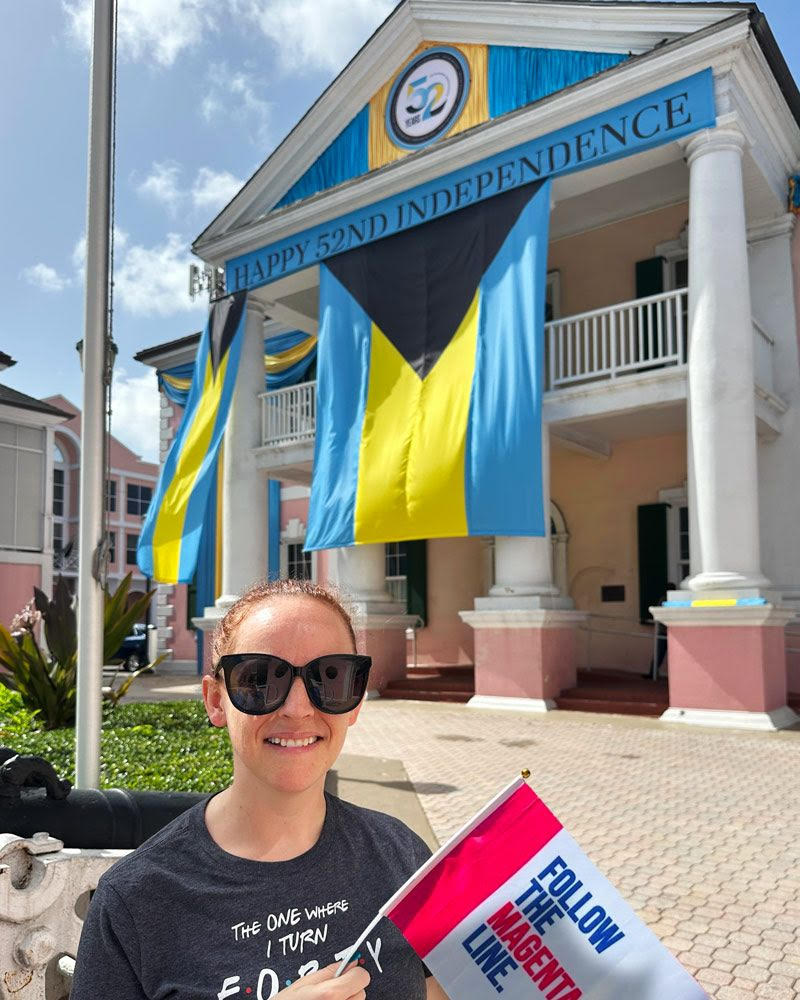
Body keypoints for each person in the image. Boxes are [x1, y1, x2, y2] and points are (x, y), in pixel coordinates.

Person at [71, 579, 450, 1000]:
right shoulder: (136, 902)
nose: (298, 707)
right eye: (260, 678)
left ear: (356, 699)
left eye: (332, 676)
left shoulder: (402, 855)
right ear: (216, 701)